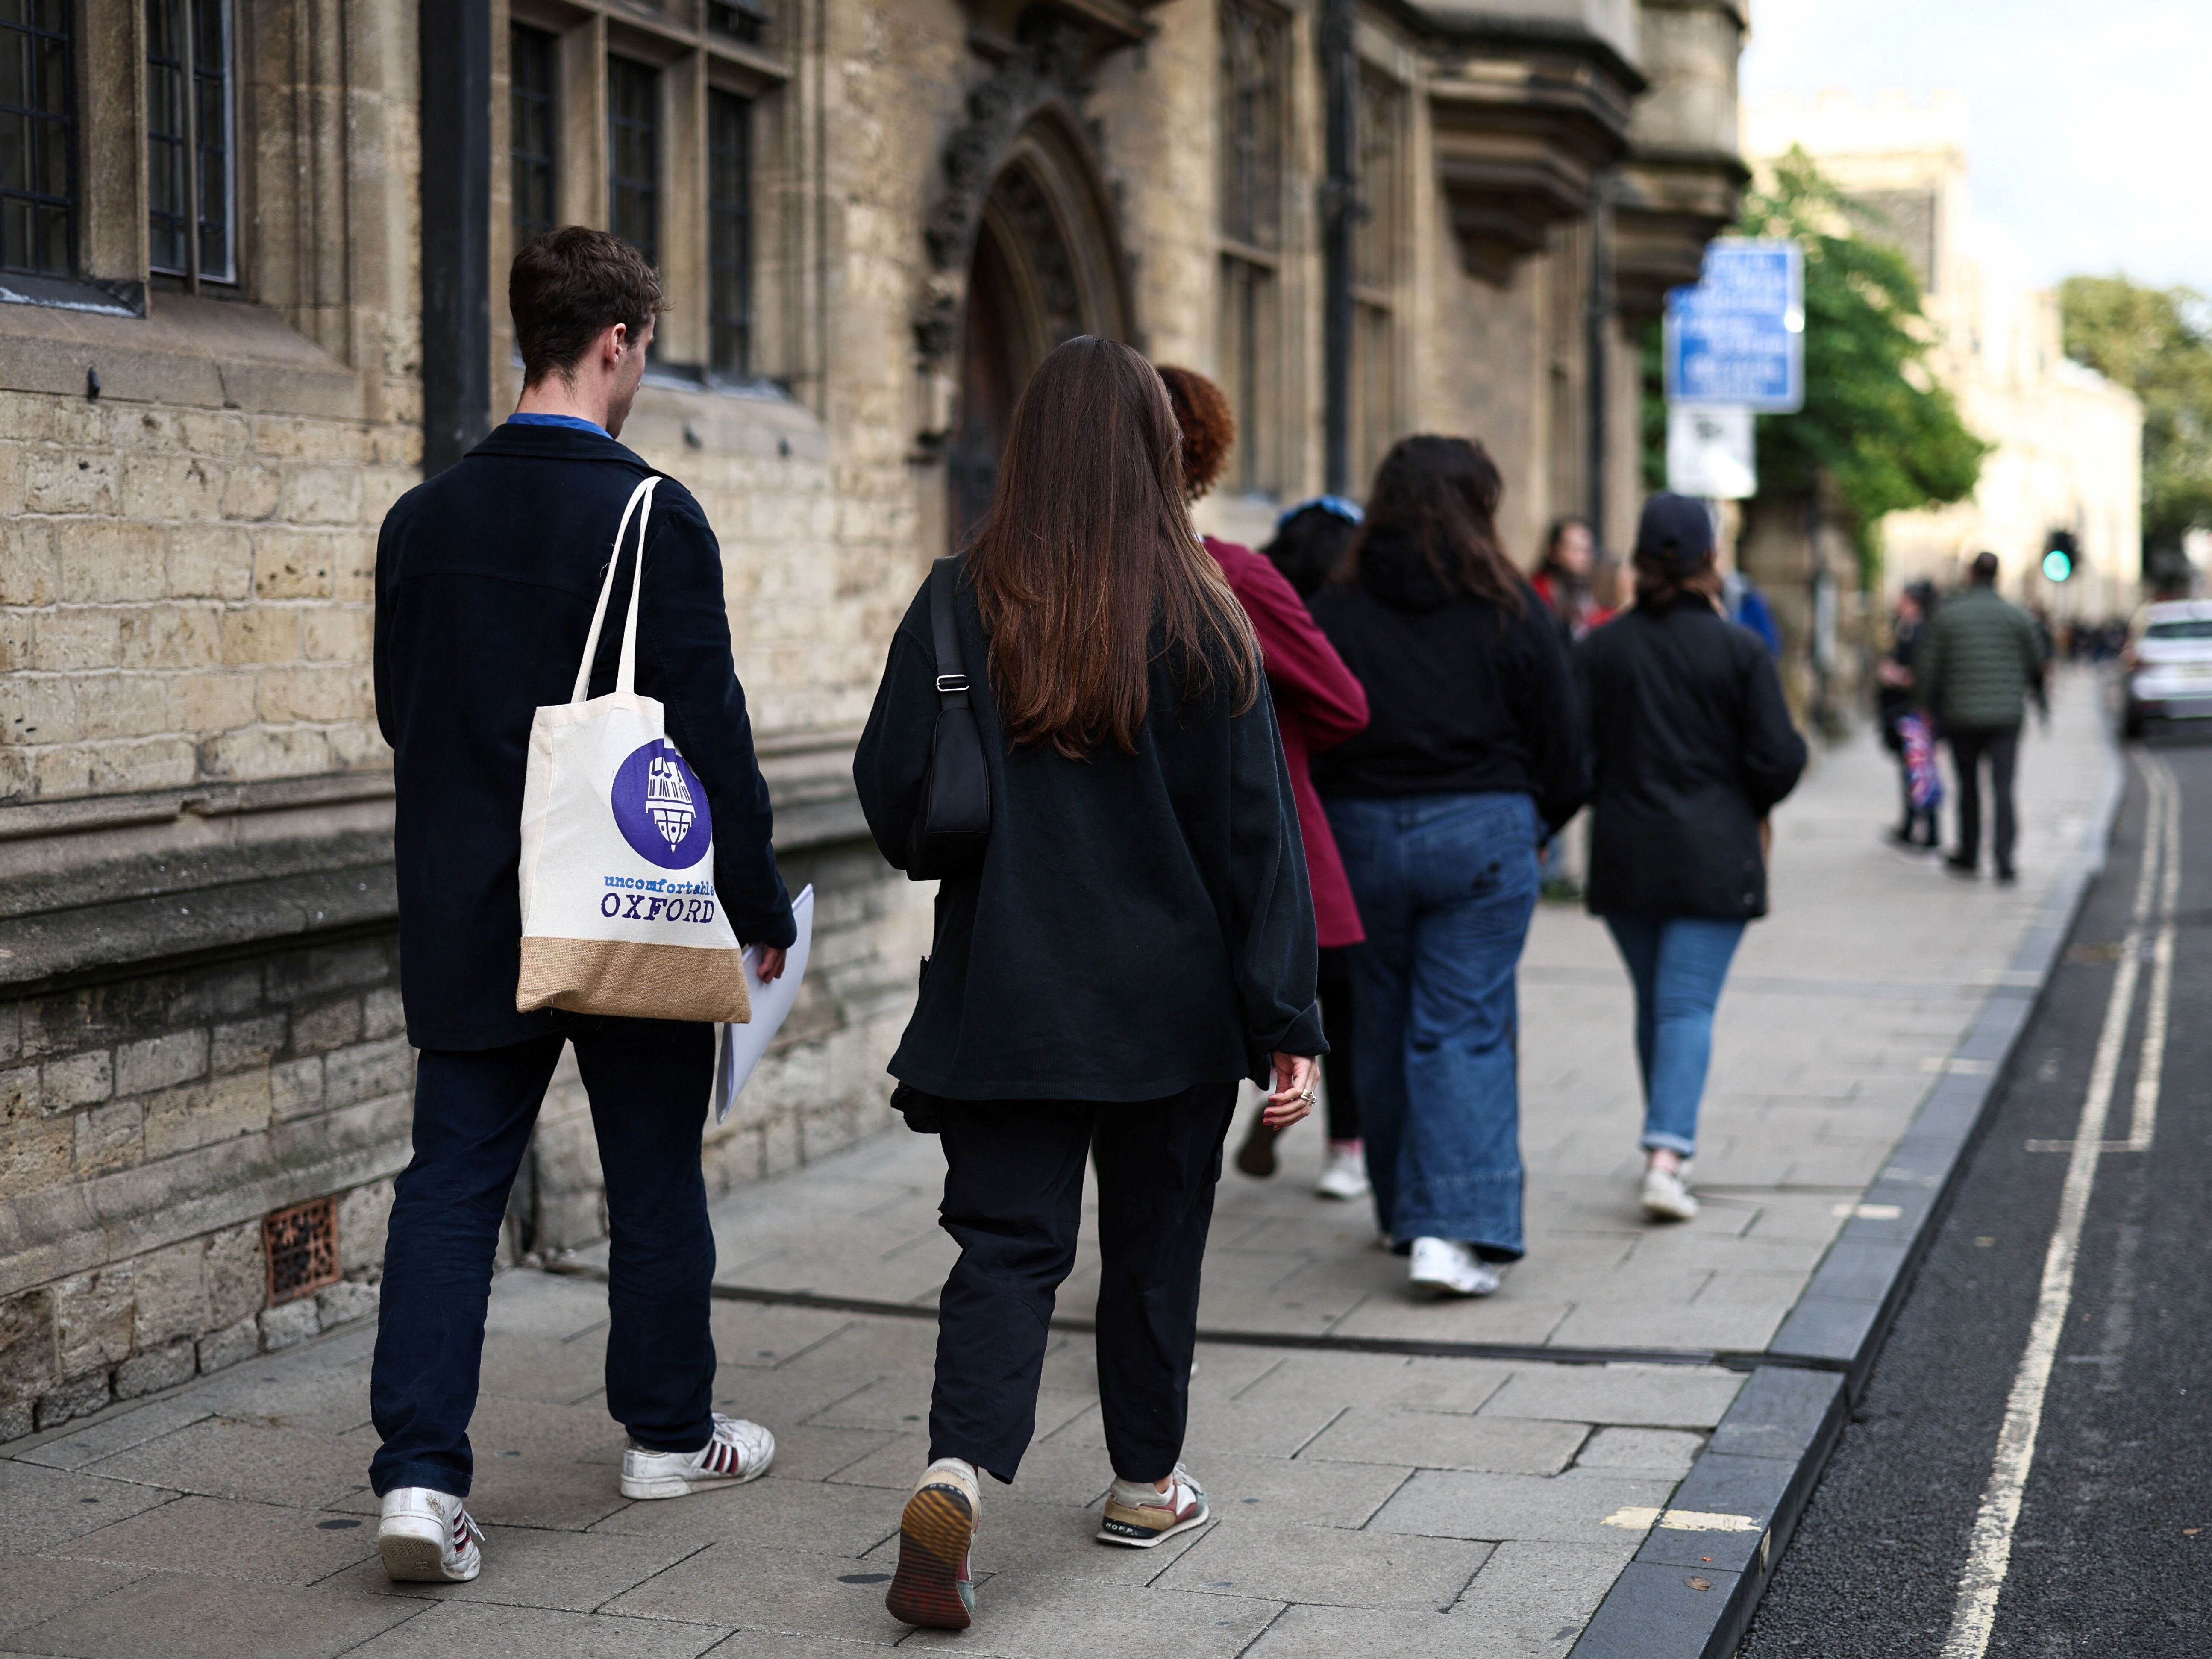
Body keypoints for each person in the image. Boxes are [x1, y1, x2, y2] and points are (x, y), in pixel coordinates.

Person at [853, 337, 1323, 1632]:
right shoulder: (1206, 621)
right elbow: (1255, 844)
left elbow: (896, 795)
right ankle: (1142, 1482)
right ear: (1157, 455)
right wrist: (1288, 1021)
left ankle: (956, 1472)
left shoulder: (958, 599)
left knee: (1004, 1251)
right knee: (1153, 1252)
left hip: (1005, 994)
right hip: (1170, 1013)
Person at [368, 228, 797, 1583]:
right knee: (655, 1172)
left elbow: (403, 713)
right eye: (646, 348)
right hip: (624, 898)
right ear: (619, 341)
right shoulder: (652, 513)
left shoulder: (421, 520)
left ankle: (422, 1486)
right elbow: (709, 732)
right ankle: (668, 1436)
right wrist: (757, 891)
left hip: (462, 904)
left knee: (448, 1186)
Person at [1310, 436, 1585, 1297]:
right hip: (1480, 828)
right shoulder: (1510, 604)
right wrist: (1535, 820)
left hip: (1358, 836)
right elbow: (1568, 747)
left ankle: (1402, 1214)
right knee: (1461, 1026)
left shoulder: (1337, 606)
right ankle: (1452, 1230)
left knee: (1383, 1022)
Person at [1156, 367, 1372, 1202]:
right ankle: (1344, 1143)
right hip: (1239, 860)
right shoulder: (1229, 577)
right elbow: (1345, 704)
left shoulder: (1003, 575)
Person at [1572, 494, 1807, 1222]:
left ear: (1639, 561)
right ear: (1712, 559)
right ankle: (1666, 1154)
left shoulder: (1600, 649)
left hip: (1625, 850)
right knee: (1685, 1004)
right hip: (1713, 852)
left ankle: (1664, 1147)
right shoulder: (1740, 650)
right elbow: (1777, 762)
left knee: (1659, 1001)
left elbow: (1575, 760)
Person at [1916, 551, 2049, 884]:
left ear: (1970, 575)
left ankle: (1969, 853)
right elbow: (2037, 661)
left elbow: (1927, 668)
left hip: (1961, 714)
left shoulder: (1948, 616)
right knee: (2003, 788)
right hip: (2006, 715)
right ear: (1998, 577)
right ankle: (2004, 860)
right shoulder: (2016, 616)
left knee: (1968, 787)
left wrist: (1924, 707)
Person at [1877, 581, 1940, 849]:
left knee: (1920, 770)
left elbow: (1923, 674)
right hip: (1904, 712)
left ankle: (1928, 831)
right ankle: (1911, 825)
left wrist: (1896, 676)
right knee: (1912, 770)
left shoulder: (1921, 633)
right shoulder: (1907, 629)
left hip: (1913, 712)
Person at [1531, 517, 1612, 643]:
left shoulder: (1599, 594)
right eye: (1575, 550)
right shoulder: (1536, 595)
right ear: (1554, 552)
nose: (1584, 558)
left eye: (1587, 551)